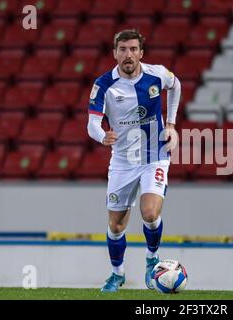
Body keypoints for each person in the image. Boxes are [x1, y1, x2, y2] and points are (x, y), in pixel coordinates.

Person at [87, 29, 181, 292]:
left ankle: (152, 259)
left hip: (156, 155)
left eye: (132, 49)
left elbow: (177, 85)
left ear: (141, 52)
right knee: (116, 224)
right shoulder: (103, 85)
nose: (128, 55)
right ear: (114, 53)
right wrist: (101, 136)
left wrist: (171, 124)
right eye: (122, 49)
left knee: (150, 213)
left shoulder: (157, 74)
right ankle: (117, 274)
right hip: (122, 160)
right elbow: (92, 123)